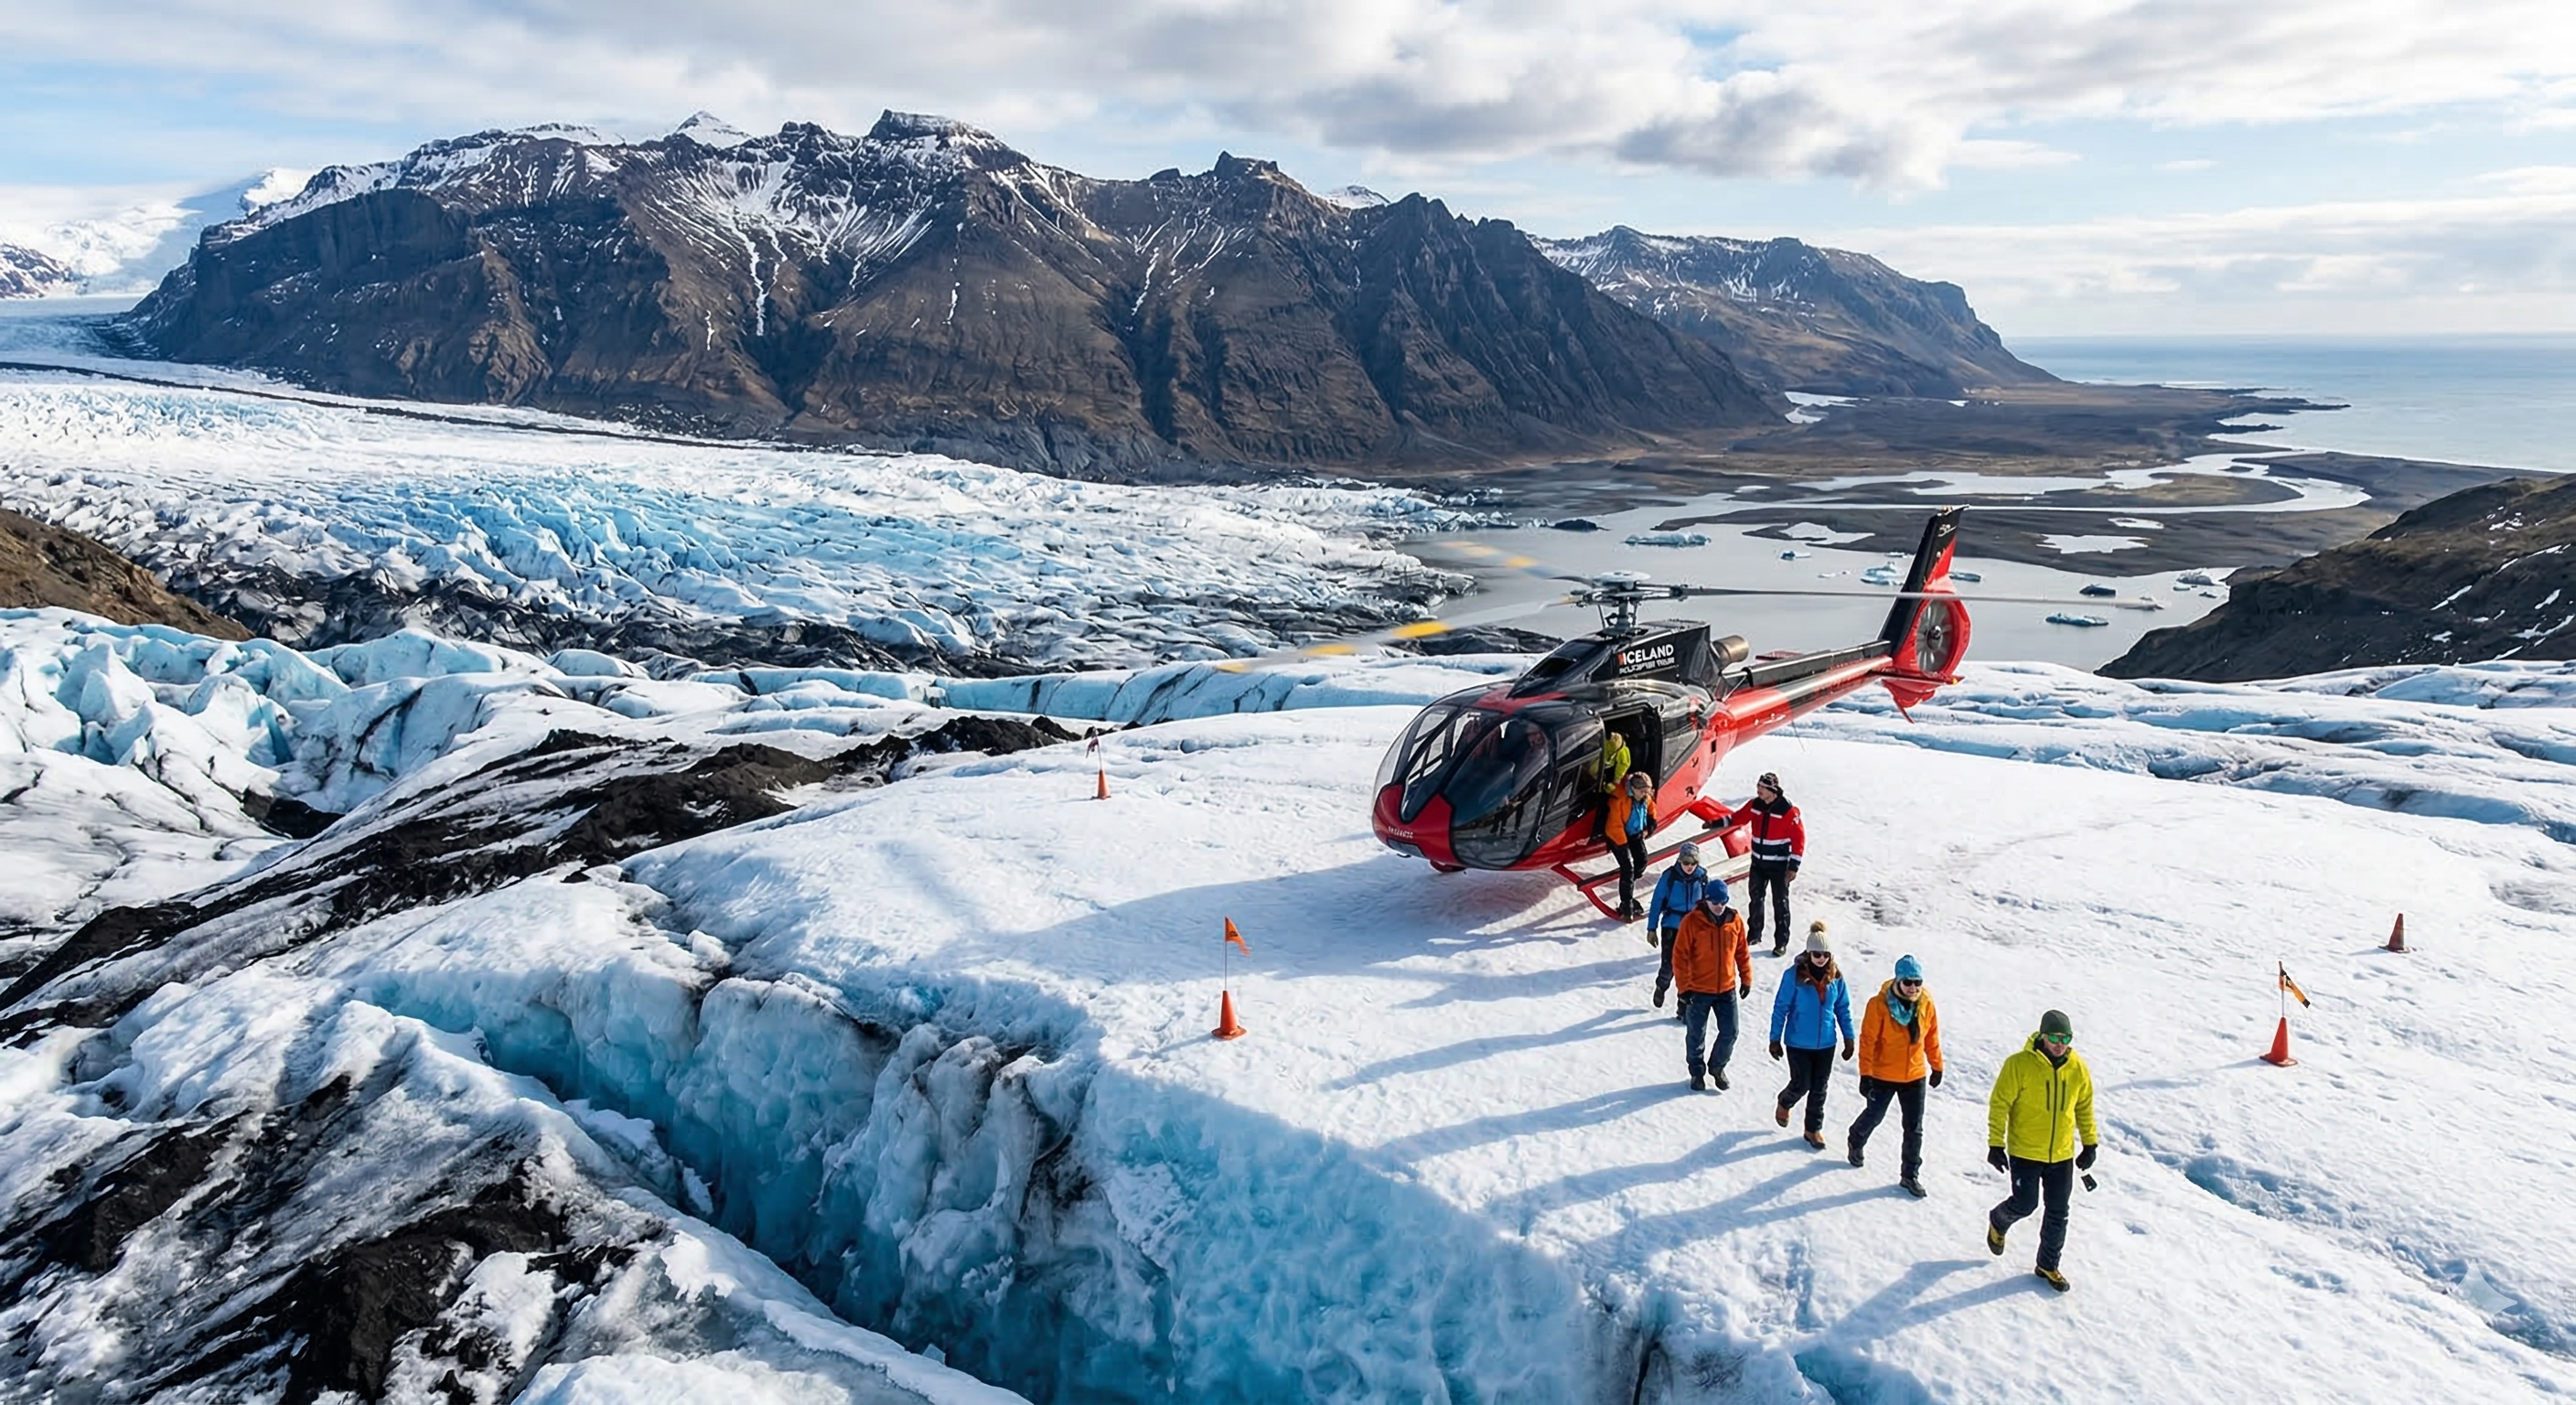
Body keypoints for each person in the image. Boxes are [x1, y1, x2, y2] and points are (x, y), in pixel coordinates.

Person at [1985, 1009, 2098, 1293]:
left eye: (2066, 1038)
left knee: (2059, 1211)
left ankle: (2047, 1264)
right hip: (2025, 1151)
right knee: (2025, 1204)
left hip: (2061, 1154)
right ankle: (1999, 1220)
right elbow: (2000, 1104)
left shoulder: (2077, 1068)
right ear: (2042, 1036)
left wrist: (2090, 1143)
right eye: (2054, 1037)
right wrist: (1996, 1143)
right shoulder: (2019, 1065)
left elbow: (2084, 1106)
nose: (2060, 1043)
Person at [1848, 954, 1943, 1198]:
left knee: (1914, 1128)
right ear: (1898, 981)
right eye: (1908, 982)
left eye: (1917, 982)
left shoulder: (1926, 1003)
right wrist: (1866, 1074)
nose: (1913, 987)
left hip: (1914, 1075)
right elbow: (1868, 1041)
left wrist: (1937, 1066)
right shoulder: (1878, 1005)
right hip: (1883, 1073)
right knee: (1875, 1115)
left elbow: (1931, 1036)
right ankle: (1856, 1138)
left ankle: (1909, 1175)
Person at [1767, 923, 1853, 1147]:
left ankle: (1812, 1129)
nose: (1821, 959)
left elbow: (1843, 1008)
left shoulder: (1836, 978)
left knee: (1819, 1088)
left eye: (1825, 955)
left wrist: (1849, 1038)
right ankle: (1785, 1101)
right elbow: (1781, 1008)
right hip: (1798, 1042)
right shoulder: (1794, 977)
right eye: (1817, 954)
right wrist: (1774, 1039)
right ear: (1808, 953)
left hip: (1826, 1043)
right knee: (1802, 1083)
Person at [1669, 885, 1753, 1091]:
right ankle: (1697, 1072)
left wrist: (1746, 978)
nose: (1719, 906)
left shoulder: (1734, 921)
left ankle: (1717, 1067)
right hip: (1698, 989)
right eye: (1715, 902)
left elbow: (1741, 951)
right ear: (1706, 900)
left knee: (1731, 1031)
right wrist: (1684, 988)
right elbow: (1680, 956)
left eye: (1723, 902)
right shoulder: (1691, 921)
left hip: (1727, 988)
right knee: (1696, 1033)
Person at [1723, 772, 1805, 955]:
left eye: (1762, 788)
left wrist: (1793, 867)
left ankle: (1781, 942)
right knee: (1756, 899)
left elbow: (1799, 839)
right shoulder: (1755, 805)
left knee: (1780, 904)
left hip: (1779, 867)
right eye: (1758, 787)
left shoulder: (1788, 811)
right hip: (1758, 864)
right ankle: (1754, 934)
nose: (1758, 790)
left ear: (1772, 791)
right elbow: (1738, 818)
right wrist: (1716, 823)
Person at [1647, 842, 1715, 1005]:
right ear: (1679, 861)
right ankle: (1661, 986)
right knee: (1669, 962)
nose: (1689, 866)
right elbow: (1657, 902)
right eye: (1686, 862)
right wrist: (1652, 928)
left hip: (1694, 927)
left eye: (1693, 863)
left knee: (1691, 966)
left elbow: (1709, 903)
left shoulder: (1702, 877)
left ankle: (1683, 1003)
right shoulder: (1669, 877)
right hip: (1672, 924)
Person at [1605, 769, 1657, 921]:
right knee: (1628, 868)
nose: (1645, 794)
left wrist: (1652, 821)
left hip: (1636, 834)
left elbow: (1651, 806)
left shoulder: (1643, 797)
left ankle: (1628, 884)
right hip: (1618, 836)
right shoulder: (1618, 799)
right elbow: (1614, 826)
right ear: (1632, 789)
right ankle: (1626, 904)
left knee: (1642, 862)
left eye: (1647, 791)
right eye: (1642, 791)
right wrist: (1623, 846)